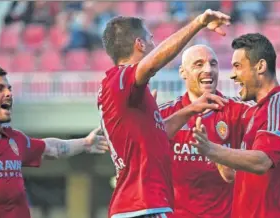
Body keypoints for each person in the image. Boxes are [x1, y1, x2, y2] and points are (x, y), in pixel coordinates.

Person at [98, 9, 231, 218]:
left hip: (137, 206)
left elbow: (158, 134)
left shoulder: (129, 92)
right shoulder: (122, 78)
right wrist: (199, 23)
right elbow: (152, 64)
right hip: (142, 206)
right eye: (151, 39)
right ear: (139, 44)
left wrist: (191, 109)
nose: (154, 45)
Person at [158, 44, 280, 218]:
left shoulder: (240, 110)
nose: (208, 69)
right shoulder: (165, 114)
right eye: (199, 64)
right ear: (182, 72)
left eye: (213, 63)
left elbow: (269, 113)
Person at [0, 66, 109, 218]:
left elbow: (53, 148)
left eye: (9, 88)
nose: (9, 93)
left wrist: (86, 143)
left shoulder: (16, 139)